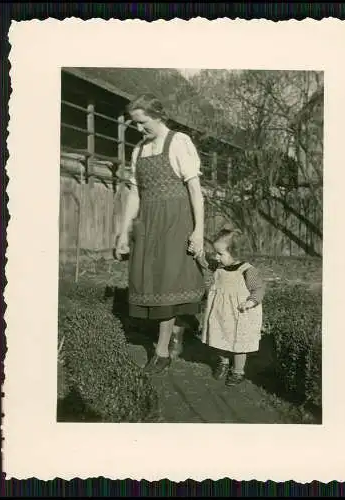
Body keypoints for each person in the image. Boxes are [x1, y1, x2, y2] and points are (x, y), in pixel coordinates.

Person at [114, 93, 205, 374]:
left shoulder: (179, 142)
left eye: (143, 123)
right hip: (149, 222)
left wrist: (199, 231)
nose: (139, 129)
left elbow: (194, 190)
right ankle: (179, 326)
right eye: (136, 124)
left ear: (157, 116)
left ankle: (161, 351)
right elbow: (134, 193)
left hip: (176, 220)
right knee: (151, 281)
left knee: (167, 283)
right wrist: (123, 232)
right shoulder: (139, 150)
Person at [197, 227, 266, 386]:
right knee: (219, 335)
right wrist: (198, 252)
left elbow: (259, 289)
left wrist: (250, 302)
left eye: (220, 254)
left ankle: (238, 371)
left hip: (239, 314)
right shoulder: (220, 266)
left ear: (236, 253)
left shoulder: (247, 271)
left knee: (238, 343)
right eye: (216, 253)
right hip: (221, 312)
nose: (216, 257)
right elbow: (206, 262)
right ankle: (223, 362)